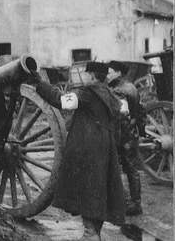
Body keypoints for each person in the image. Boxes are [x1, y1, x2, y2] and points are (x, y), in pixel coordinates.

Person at [32, 61, 126, 240]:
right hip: (106, 146)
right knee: (100, 188)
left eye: (86, 73)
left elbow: (61, 101)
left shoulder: (88, 93)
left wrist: (39, 84)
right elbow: (121, 111)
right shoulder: (109, 93)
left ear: (91, 76)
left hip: (88, 146)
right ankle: (95, 233)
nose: (84, 76)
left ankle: (90, 234)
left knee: (87, 188)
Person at [108, 60, 143, 215]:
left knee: (124, 168)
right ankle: (134, 202)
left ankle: (131, 204)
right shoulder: (132, 87)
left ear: (118, 73)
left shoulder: (119, 90)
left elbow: (119, 115)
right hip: (130, 133)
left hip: (122, 134)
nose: (107, 75)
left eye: (109, 72)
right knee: (131, 169)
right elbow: (140, 112)